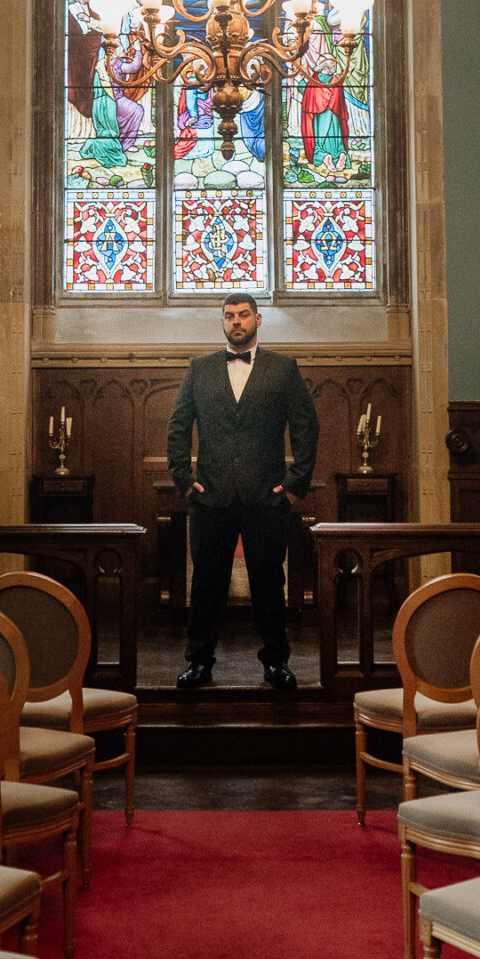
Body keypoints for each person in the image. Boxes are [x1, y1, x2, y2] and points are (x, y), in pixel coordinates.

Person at [165, 292, 319, 695]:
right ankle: (198, 662)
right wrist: (184, 479)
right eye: (230, 316)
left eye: (244, 315)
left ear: (258, 320)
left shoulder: (283, 369)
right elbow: (178, 425)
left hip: (266, 498)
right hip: (210, 497)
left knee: (269, 583)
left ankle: (277, 663)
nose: (237, 321)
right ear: (222, 323)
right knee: (206, 586)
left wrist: (293, 485)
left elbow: (306, 426)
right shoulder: (200, 369)